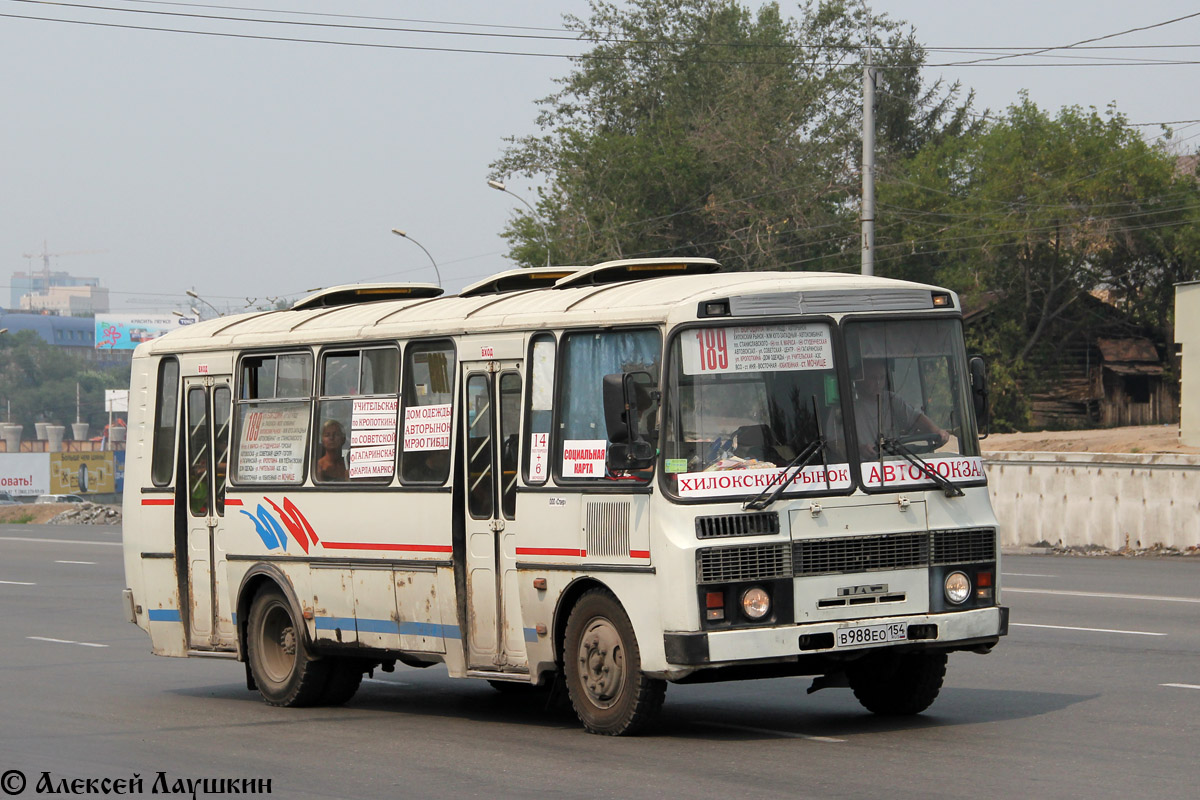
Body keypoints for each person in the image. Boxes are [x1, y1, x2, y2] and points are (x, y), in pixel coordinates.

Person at [854, 359, 950, 459]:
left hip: (895, 461)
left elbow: (916, 418)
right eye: (873, 378)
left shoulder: (891, 400)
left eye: (881, 378)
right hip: (863, 465)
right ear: (861, 379)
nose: (878, 383)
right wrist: (859, 449)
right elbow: (838, 443)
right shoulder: (851, 407)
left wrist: (937, 431)